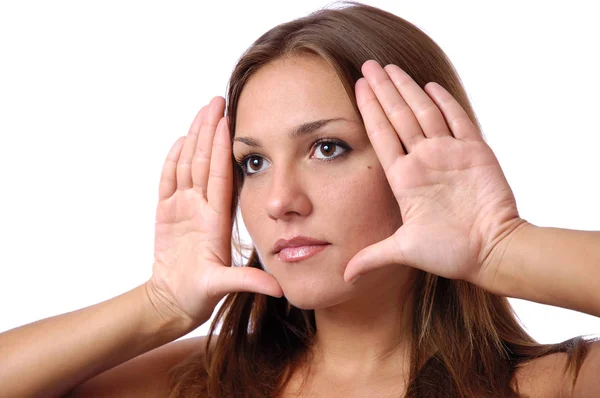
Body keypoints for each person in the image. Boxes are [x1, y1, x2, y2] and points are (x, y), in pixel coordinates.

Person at [1, 2, 599, 397]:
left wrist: (501, 246)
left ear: (425, 152)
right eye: (253, 163)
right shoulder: (196, 383)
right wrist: (158, 304)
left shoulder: (554, 386)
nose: (279, 201)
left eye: (327, 148)